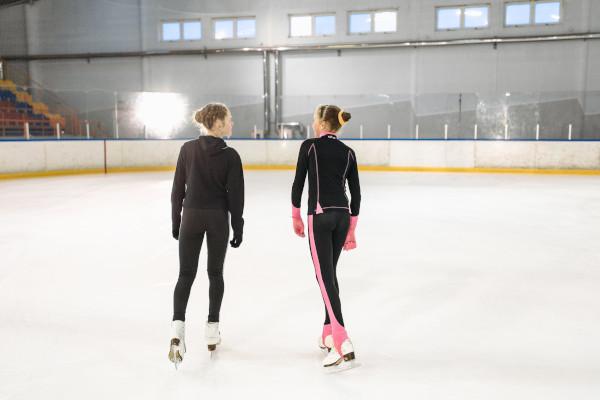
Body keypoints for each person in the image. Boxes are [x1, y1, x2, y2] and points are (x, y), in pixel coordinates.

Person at [168, 103, 244, 368]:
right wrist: (239, 225)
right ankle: (212, 330)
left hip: (190, 216)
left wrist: (176, 220)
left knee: (185, 275)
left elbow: (178, 189)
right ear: (219, 123)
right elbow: (236, 197)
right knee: (215, 274)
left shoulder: (187, 150)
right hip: (217, 219)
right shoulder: (231, 155)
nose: (232, 123)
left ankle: (177, 329)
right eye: (230, 118)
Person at [291, 104, 361, 368]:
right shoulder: (349, 152)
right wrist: (352, 229)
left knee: (324, 278)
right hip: (342, 217)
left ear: (321, 124)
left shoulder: (309, 146)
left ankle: (342, 337)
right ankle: (327, 333)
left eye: (313, 120)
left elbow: (298, 183)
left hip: (319, 217)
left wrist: (296, 215)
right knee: (329, 276)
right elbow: (357, 194)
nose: (312, 124)